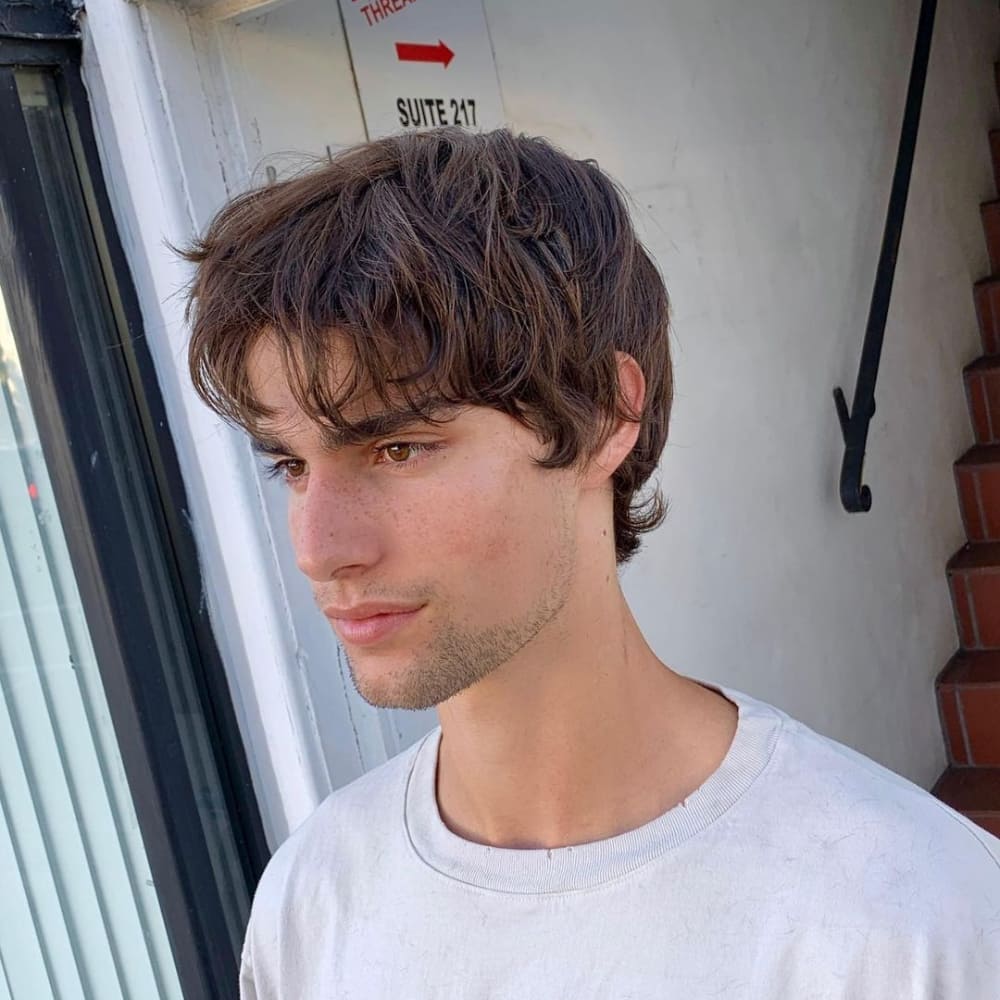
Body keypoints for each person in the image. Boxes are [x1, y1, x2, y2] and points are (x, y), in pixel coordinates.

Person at [182, 127, 1000, 999]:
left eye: (399, 449)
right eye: (291, 466)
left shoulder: (911, 920)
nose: (318, 548)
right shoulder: (313, 901)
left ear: (608, 415)